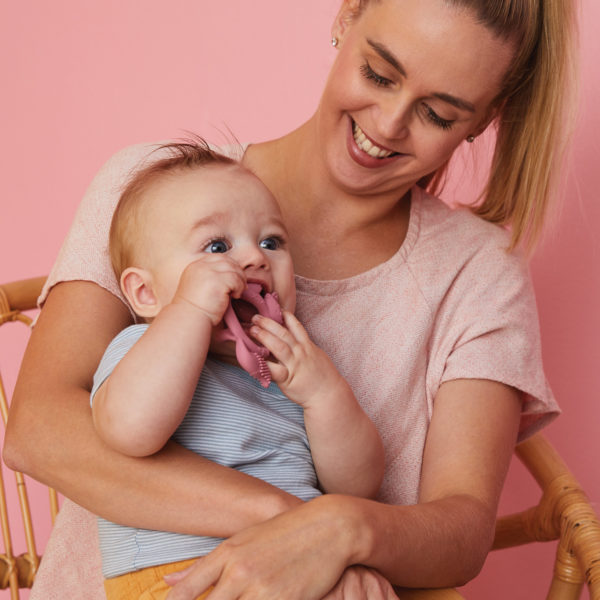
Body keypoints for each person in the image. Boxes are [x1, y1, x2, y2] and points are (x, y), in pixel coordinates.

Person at [4, 0, 577, 598]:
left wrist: (345, 528)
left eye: (436, 114)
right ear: (346, 16)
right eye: (379, 74)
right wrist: (296, 525)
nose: (386, 124)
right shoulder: (156, 194)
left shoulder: (480, 274)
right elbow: (40, 431)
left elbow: (460, 531)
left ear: (483, 121)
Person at [91, 140, 384, 599]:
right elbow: (129, 430)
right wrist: (189, 311)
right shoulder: (141, 349)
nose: (254, 258)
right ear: (146, 294)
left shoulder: (293, 369)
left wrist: (326, 394)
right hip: (182, 576)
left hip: (298, 565)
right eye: (216, 245)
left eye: (271, 241)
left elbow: (358, 486)